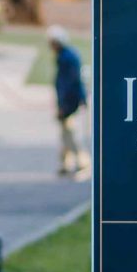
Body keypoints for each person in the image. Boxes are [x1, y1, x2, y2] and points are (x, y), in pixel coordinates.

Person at [49, 24, 88, 179]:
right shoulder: (66, 56)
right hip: (69, 100)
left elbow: (69, 83)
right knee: (65, 133)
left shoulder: (67, 58)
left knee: (70, 133)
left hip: (69, 102)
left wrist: (64, 106)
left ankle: (82, 162)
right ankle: (66, 163)